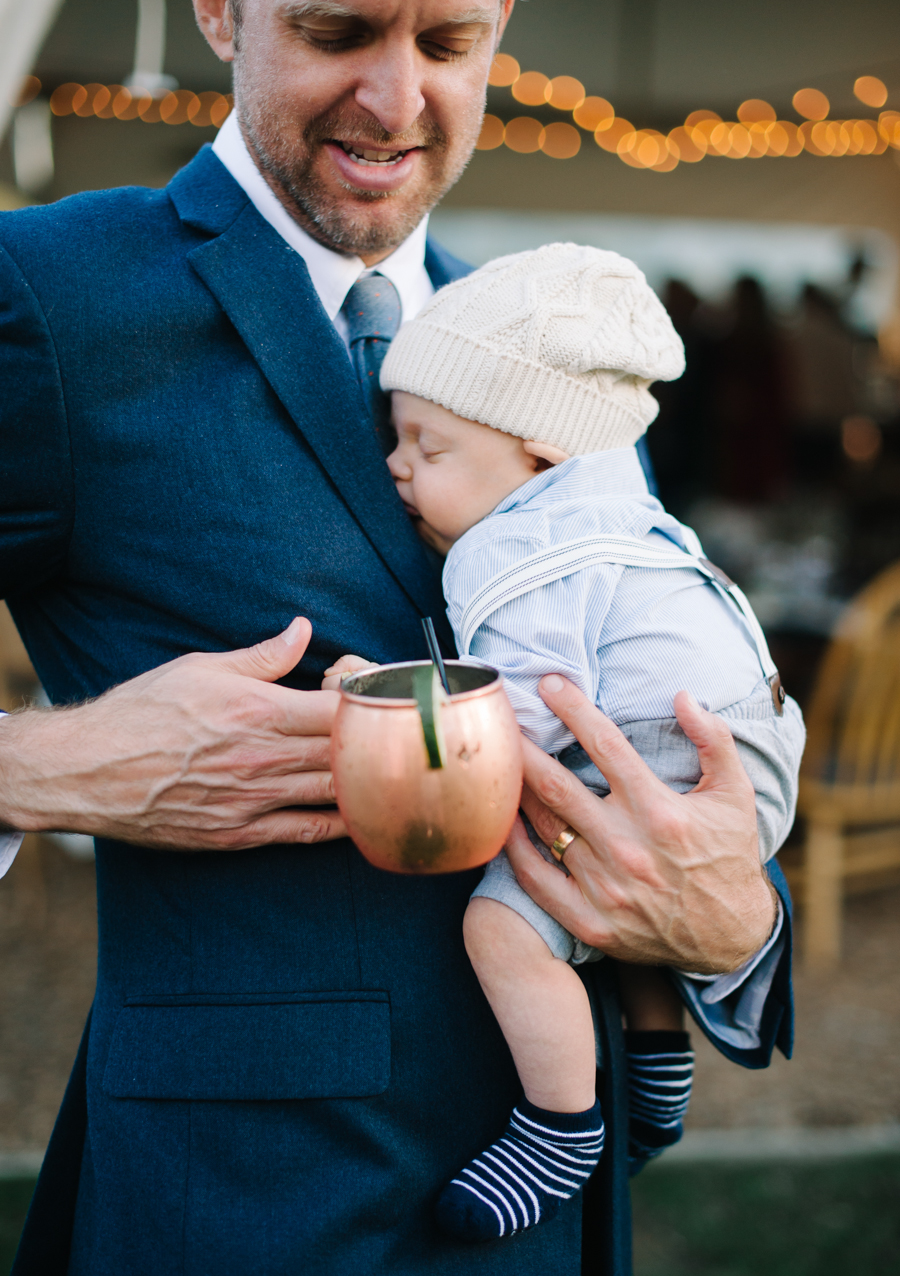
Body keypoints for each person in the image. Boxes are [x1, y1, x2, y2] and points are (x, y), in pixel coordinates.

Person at [0, 1, 792, 1272]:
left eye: (446, 45)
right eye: (339, 30)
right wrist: (40, 768)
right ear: (219, 11)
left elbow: (652, 667)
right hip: (246, 1204)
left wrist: (738, 914)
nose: (396, 98)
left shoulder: (555, 348)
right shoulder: (48, 295)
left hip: (558, 1209)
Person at [323, 244, 804, 1242]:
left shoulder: (516, 552)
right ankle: (658, 1060)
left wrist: (370, 695)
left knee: (506, 924)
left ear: (536, 454)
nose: (395, 464)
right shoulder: (602, 495)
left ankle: (559, 1124)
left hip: (662, 757)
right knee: (618, 903)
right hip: (736, 747)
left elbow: (513, 728)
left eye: (428, 446)